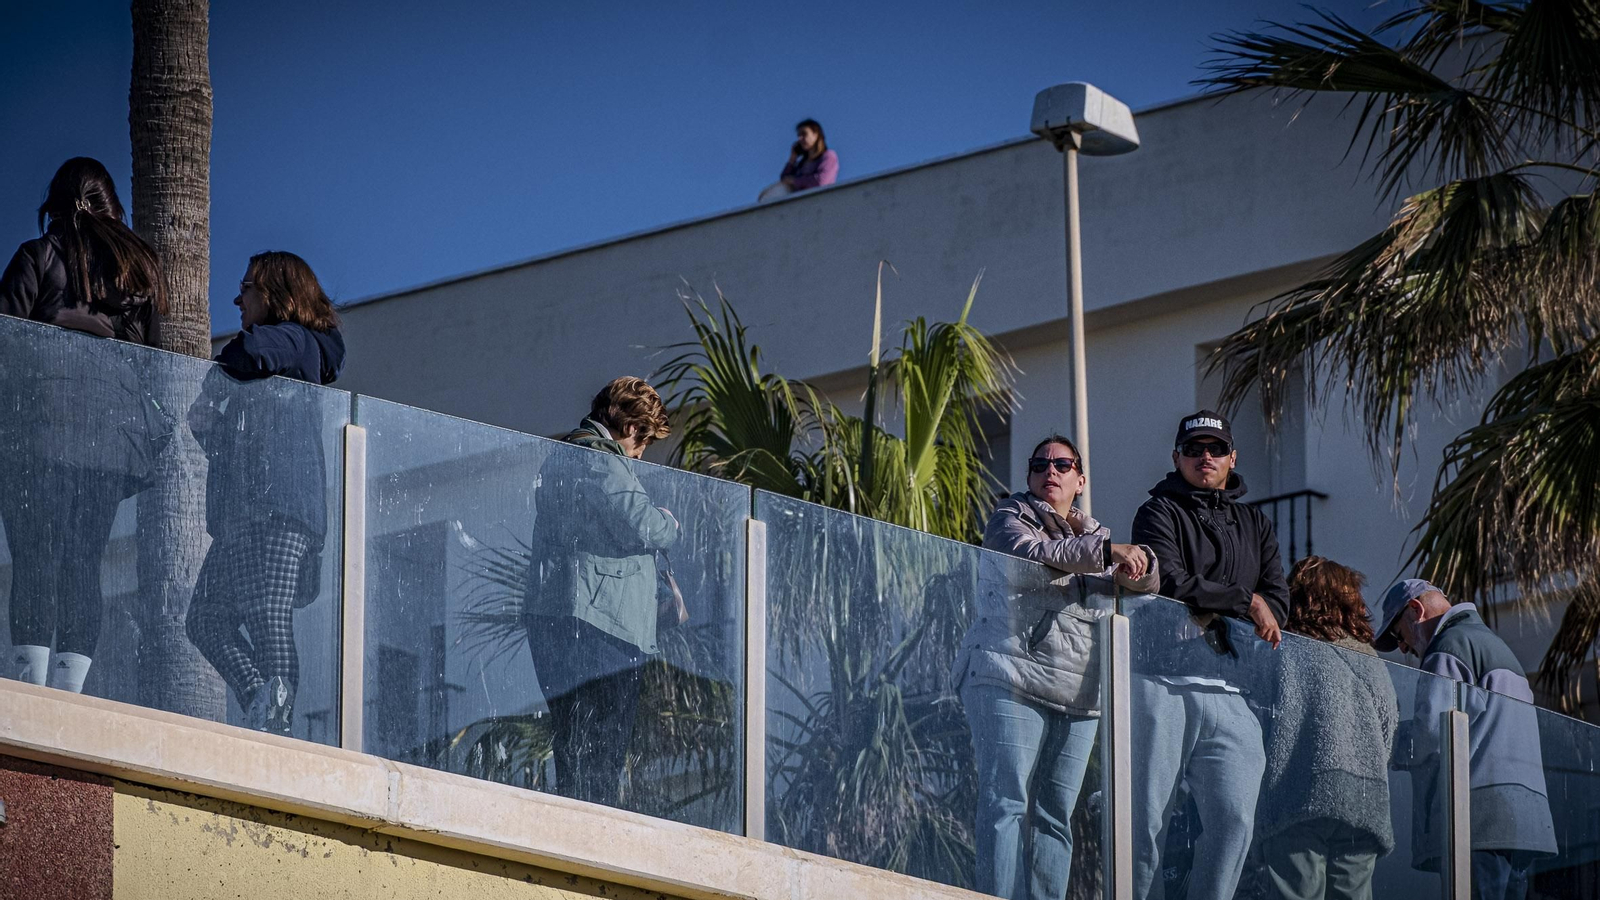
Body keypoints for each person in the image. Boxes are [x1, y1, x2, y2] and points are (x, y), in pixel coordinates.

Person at [953, 434, 1158, 899]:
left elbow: (1143, 587)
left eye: (1063, 464)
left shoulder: (1098, 538)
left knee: (1055, 815)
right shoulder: (1009, 518)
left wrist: (1141, 571)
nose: (1052, 470)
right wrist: (1108, 555)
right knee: (1006, 801)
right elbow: (1034, 558)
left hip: (1080, 693)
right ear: (1028, 476)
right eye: (1041, 463)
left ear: (1080, 480)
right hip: (1010, 674)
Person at [0, 156, 167, 693]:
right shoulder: (137, 274)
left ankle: (31, 693)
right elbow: (152, 362)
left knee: (33, 557)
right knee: (81, 566)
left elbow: (5, 343)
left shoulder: (38, 257)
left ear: (60, 204)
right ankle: (69, 698)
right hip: (107, 445)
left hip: (37, 435)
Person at [1127, 408, 1289, 900]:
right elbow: (1171, 583)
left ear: (1232, 457)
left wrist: (1242, 605)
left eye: (1216, 449)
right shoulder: (1157, 512)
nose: (1205, 457)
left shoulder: (1255, 522)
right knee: (1145, 821)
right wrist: (1243, 601)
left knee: (1236, 821)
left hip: (1231, 687)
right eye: (1194, 449)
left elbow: (1279, 601)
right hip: (1163, 680)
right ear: (1177, 457)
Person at [185, 251, 345, 735]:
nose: (238, 298)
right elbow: (203, 419)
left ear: (277, 297)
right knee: (205, 619)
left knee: (268, 611)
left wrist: (215, 390)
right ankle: (262, 701)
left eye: (247, 288)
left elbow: (249, 354)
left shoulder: (298, 341)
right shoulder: (289, 346)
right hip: (245, 508)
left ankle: (276, 721)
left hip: (280, 505)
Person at [524, 376, 678, 808]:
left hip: (567, 612)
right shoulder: (597, 457)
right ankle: (594, 828)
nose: (640, 455)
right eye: (643, 443)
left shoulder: (565, 454)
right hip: (601, 621)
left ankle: (579, 820)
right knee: (602, 744)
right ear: (633, 429)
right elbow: (643, 523)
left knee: (576, 739)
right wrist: (669, 522)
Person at [1373, 579, 1557, 900]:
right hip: (1529, 818)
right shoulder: (1496, 646)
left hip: (1480, 817)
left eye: (1399, 635)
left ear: (1415, 610)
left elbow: (1431, 734)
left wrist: (1380, 738)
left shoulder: (1447, 648)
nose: (1403, 648)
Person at [1256, 556, 1397, 900]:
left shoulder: (1282, 648)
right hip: (1366, 798)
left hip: (1297, 792)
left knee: (1296, 892)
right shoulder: (1370, 657)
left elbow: (1261, 716)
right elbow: (1388, 722)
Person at [757, 119, 839, 202]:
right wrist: (792, 159)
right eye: (799, 135)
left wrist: (795, 181)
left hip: (820, 201)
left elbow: (821, 181)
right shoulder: (801, 164)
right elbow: (784, 180)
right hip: (801, 204)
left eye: (804, 134)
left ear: (816, 134)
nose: (800, 139)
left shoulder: (828, 156)